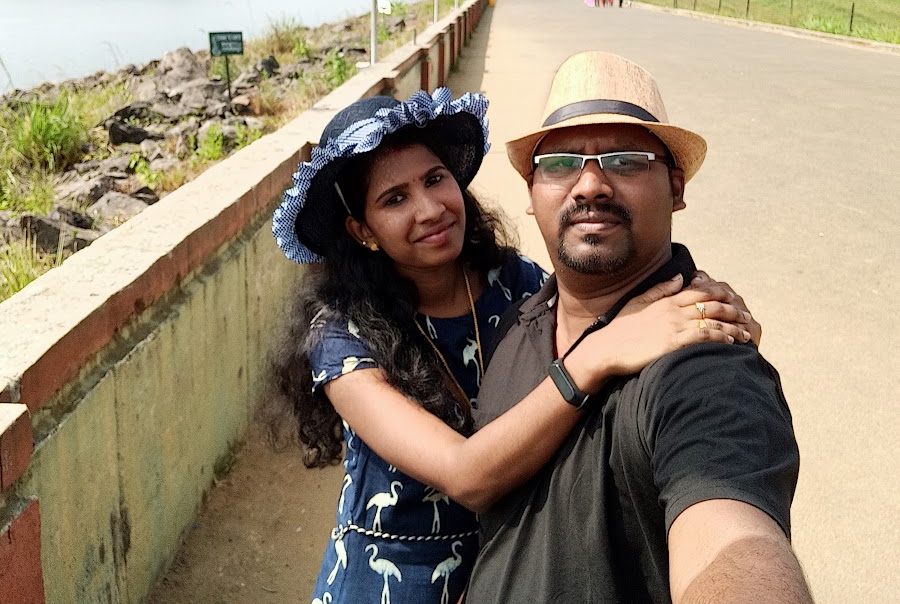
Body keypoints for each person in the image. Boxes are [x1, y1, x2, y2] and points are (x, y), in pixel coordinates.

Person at [269, 88, 758, 604]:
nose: (430, 209)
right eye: (395, 199)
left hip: (502, 557)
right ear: (362, 230)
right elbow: (464, 474)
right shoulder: (341, 336)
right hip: (392, 578)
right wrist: (594, 356)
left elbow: (611, 314)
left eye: (435, 179)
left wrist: (710, 315)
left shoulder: (513, 282)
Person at [465, 52, 812, 604]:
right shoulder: (516, 321)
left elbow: (736, 545)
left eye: (625, 161)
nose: (590, 185)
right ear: (530, 194)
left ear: (676, 188)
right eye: (560, 163)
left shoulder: (705, 361)